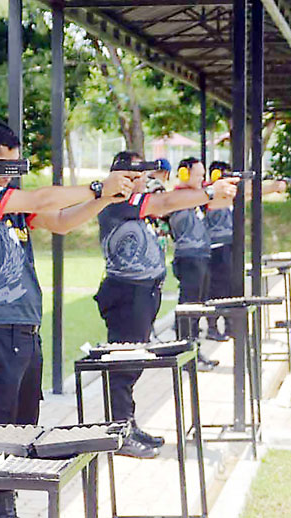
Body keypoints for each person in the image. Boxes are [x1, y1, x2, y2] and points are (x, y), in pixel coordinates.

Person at [0, 120, 136, 518]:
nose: (11, 174)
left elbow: (60, 220)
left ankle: (4, 500)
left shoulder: (14, 204)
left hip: (24, 328)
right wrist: (96, 187)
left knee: (21, 424)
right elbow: (40, 199)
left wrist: (105, 199)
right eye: (6, 165)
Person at [94, 151, 237, 459]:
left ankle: (127, 425)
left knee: (133, 363)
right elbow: (166, 204)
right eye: (140, 174)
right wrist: (210, 191)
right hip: (126, 292)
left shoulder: (137, 200)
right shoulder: (117, 200)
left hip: (142, 292)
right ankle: (119, 431)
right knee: (124, 365)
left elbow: (165, 206)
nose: (147, 179)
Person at [205, 161, 288, 340]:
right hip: (216, 247)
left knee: (232, 286)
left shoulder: (229, 195)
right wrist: (272, 187)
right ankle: (213, 326)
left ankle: (230, 325)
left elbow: (247, 194)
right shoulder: (210, 195)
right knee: (217, 288)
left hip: (230, 245)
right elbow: (247, 193)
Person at [168, 157, 219, 371]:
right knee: (189, 309)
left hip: (200, 257)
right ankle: (186, 353)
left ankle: (194, 351)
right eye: (198, 175)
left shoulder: (196, 198)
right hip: (189, 259)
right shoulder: (179, 197)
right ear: (184, 174)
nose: (202, 179)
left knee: (197, 309)